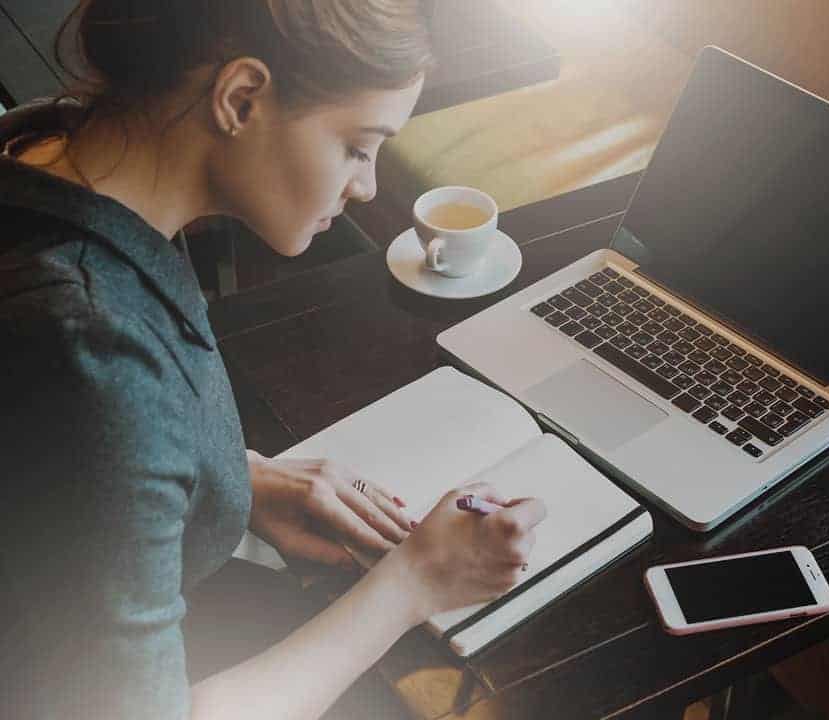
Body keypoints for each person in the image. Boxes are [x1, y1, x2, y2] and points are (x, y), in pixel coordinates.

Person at [0, 2, 546, 719]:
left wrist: (234, 477)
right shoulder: (91, 348)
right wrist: (416, 582)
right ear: (241, 98)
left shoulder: (46, 142)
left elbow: (42, 460)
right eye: (357, 145)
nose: (368, 186)